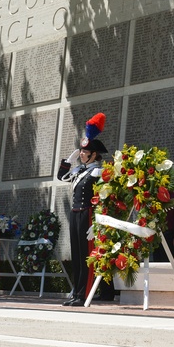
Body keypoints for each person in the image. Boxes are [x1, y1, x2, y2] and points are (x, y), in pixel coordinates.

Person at [57, 113, 107, 307]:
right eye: (81, 151)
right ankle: (75, 292)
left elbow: (103, 198)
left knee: (87, 255)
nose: (82, 154)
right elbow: (63, 177)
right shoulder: (79, 171)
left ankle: (84, 294)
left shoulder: (98, 172)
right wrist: (68, 162)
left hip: (88, 214)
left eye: (85, 152)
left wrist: (97, 222)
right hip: (75, 213)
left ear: (94, 154)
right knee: (77, 255)